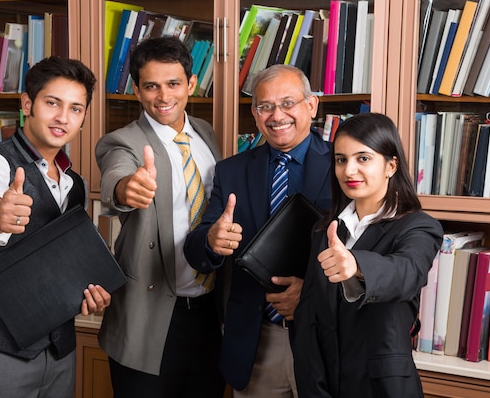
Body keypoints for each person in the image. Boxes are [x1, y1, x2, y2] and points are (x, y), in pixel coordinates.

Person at [0, 56, 109, 398]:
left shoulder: (75, 184)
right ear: (28, 104)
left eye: (76, 108)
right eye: (52, 103)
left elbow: (64, 263)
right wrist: (0, 212)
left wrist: (89, 292)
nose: (62, 118)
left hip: (60, 353)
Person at [184, 64, 332, 397]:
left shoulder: (345, 165)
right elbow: (195, 251)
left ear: (311, 106)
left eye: (288, 103)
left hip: (326, 338)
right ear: (254, 113)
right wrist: (211, 240)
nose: (277, 115)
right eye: (265, 106)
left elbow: (367, 251)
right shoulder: (231, 171)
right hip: (258, 342)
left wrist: (310, 294)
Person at [95, 36, 225, 398]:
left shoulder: (205, 133)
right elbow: (115, 177)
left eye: (173, 84)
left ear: (192, 85)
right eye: (151, 86)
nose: (164, 96)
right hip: (149, 317)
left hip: (208, 311)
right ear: (137, 90)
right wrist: (126, 188)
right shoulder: (123, 141)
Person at [293, 112, 443, 397]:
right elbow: (308, 320)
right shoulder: (325, 231)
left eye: (363, 158)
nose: (349, 171)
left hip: (383, 389)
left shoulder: (419, 226)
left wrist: (356, 265)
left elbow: (407, 273)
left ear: (390, 165)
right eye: (341, 159)